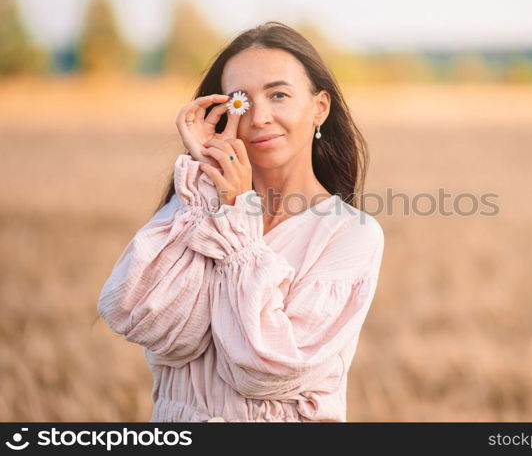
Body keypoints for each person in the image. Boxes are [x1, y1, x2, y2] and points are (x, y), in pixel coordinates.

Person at [96, 21, 384, 422]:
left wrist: (236, 213)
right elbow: (138, 316)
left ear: (320, 107)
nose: (259, 117)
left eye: (279, 95)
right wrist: (206, 188)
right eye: (239, 102)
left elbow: (263, 369)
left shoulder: (349, 233)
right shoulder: (194, 210)